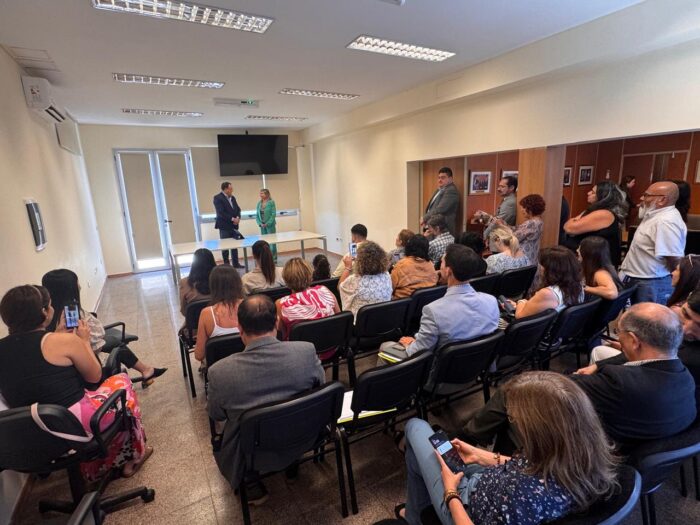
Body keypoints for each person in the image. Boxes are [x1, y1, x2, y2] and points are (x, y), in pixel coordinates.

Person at [463, 303, 697, 455]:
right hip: (632, 449)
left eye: (620, 334)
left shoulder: (619, 383)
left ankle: (468, 441)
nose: (618, 340)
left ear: (635, 341)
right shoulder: (685, 378)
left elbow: (554, 386)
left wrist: (566, 376)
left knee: (515, 390)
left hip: (590, 455)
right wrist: (598, 365)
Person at [397, 372, 618, 525]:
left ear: (538, 431)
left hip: (465, 507)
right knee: (423, 456)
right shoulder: (583, 453)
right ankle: (414, 516)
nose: (512, 421)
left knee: (416, 426)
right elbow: (534, 468)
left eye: (513, 418)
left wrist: (451, 492)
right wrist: (484, 456)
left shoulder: (523, 496)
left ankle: (415, 517)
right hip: (493, 484)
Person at [0, 285, 151, 481]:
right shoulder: (63, 342)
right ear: (44, 312)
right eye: (50, 305)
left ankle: (95, 467)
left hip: (27, 435)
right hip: (73, 427)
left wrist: (56, 334)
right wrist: (84, 342)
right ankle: (134, 457)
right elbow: (94, 377)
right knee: (121, 381)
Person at [207, 295, 325, 501]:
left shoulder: (220, 372)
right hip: (305, 437)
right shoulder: (306, 351)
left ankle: (252, 483)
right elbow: (320, 387)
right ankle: (291, 465)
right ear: (277, 322)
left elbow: (217, 414)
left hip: (251, 453)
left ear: (240, 328)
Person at [42, 269, 166, 387]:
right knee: (115, 344)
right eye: (77, 283)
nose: (79, 286)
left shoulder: (46, 317)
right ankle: (146, 370)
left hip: (70, 365)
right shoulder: (72, 315)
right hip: (87, 365)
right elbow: (98, 336)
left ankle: (146, 370)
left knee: (113, 341)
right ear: (69, 289)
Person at [381, 244, 499, 361]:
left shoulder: (433, 311)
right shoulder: (491, 301)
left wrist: (412, 344)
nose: (439, 266)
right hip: (480, 364)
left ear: (448, 271)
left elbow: (418, 351)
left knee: (385, 347)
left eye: (442, 262)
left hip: (443, 369)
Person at [619, 181, 687, 304]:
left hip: (651, 283)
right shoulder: (655, 214)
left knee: (645, 316)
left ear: (662, 200)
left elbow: (674, 258)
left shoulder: (665, 222)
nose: (642, 198)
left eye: (647, 195)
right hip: (641, 279)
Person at [563, 180, 626, 267]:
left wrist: (575, 221)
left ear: (602, 197)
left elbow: (569, 228)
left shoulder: (604, 214)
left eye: (593, 192)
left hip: (597, 264)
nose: (588, 193)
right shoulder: (594, 210)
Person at [509, 246, 584, 318]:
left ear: (550, 270)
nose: (540, 268)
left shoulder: (548, 294)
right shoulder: (578, 286)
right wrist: (523, 305)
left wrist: (521, 301)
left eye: (542, 265)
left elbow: (520, 316)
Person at [277, 257, 340, 340]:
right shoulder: (325, 290)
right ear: (310, 275)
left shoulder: (281, 304)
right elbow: (339, 319)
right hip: (333, 344)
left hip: (300, 348)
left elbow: (282, 335)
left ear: (286, 280)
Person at [194, 265, 244, 362]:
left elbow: (199, 355)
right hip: (250, 366)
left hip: (219, 369)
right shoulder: (251, 306)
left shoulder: (207, 313)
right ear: (238, 282)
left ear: (212, 286)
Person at [339, 240, 392, 318]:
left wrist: (347, 267)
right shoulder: (387, 275)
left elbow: (340, 287)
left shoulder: (355, 280)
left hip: (359, 324)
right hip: (383, 319)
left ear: (359, 261)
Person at [390, 235, 439, 299]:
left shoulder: (401, 265)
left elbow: (390, 288)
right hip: (427, 301)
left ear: (408, 247)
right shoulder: (430, 264)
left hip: (403, 302)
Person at [421, 167, 460, 236]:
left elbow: (440, 209)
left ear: (450, 179)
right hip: (433, 226)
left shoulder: (451, 191)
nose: (439, 180)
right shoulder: (439, 189)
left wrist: (425, 218)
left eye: (443, 178)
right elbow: (432, 207)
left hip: (443, 229)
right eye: (439, 177)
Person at [213, 181, 244, 268]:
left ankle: (236, 264)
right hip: (224, 226)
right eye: (230, 189)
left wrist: (238, 217)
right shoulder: (217, 198)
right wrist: (233, 219)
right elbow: (221, 212)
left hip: (234, 225)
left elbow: (238, 209)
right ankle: (226, 265)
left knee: (235, 245)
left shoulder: (233, 198)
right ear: (225, 189)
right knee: (225, 246)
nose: (232, 190)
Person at [179, 248, 216, 315]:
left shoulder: (184, 283)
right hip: (218, 320)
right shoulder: (221, 280)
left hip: (194, 321)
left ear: (194, 263)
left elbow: (184, 311)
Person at [512, 194, 545, 267]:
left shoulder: (531, 223)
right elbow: (519, 229)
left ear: (530, 208)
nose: (522, 210)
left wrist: (501, 227)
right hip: (532, 256)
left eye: (524, 207)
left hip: (524, 258)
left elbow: (514, 237)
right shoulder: (539, 221)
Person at [256, 188, 278, 262]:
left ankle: (274, 258)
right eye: (260, 193)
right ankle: (266, 258)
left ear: (267, 194)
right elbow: (257, 215)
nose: (260, 195)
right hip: (262, 226)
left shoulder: (271, 202)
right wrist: (260, 223)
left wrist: (268, 223)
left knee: (272, 242)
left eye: (262, 193)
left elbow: (273, 214)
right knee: (264, 243)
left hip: (270, 225)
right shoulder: (259, 203)